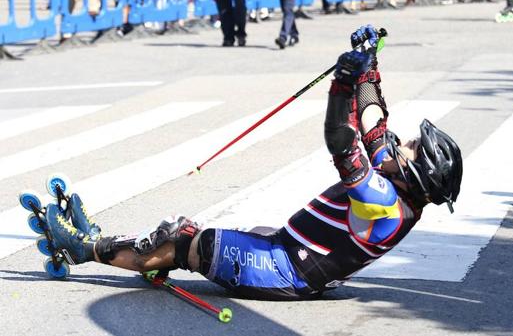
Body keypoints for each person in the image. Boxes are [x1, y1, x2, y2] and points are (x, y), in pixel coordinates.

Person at [41, 25, 463, 300]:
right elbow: (372, 125)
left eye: (411, 147)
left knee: (186, 237)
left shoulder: (384, 203)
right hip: (285, 245)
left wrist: (341, 84)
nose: (403, 142)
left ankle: (84, 249)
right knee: (185, 241)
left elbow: (341, 141)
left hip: (286, 270)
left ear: (415, 173)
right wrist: (368, 65)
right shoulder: (401, 183)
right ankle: (131, 251)